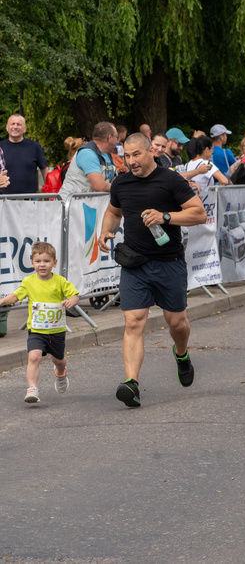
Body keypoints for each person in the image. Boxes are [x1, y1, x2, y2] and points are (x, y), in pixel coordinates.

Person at [97, 133, 207, 408]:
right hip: (135, 264)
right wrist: (105, 231)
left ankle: (181, 353)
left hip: (169, 263)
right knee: (133, 321)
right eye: (126, 156)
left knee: (177, 323)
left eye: (136, 155)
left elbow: (198, 213)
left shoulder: (171, 180)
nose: (131, 161)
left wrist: (166, 216)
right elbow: (114, 211)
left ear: (150, 153)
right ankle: (132, 384)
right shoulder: (121, 183)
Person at [0, 242, 79, 404]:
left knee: (58, 359)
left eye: (46, 261)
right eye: (38, 261)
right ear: (32, 263)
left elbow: (74, 295)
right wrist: (2, 301)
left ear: (54, 263)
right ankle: (32, 389)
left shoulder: (60, 281)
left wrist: (71, 301)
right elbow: (15, 296)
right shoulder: (29, 282)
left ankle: (60, 372)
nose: (42, 265)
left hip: (56, 330)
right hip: (36, 330)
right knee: (34, 357)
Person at [58, 122, 118, 201]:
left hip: (85, 205)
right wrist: (120, 188)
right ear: (109, 138)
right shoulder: (88, 153)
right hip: (70, 206)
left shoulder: (107, 154)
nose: (117, 140)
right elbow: (99, 186)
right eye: (116, 137)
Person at [0, 114, 48, 194]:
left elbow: (45, 171)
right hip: (3, 200)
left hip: (31, 200)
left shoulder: (34, 146)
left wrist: (50, 193)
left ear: (24, 129)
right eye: (12, 124)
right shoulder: (0, 147)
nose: (15, 127)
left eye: (19, 124)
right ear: (7, 127)